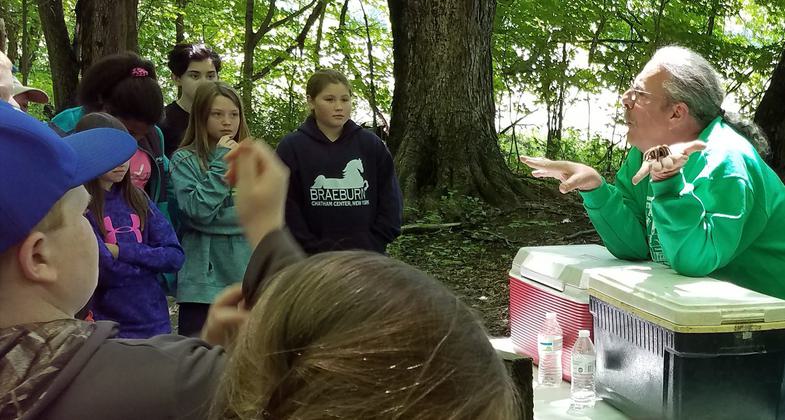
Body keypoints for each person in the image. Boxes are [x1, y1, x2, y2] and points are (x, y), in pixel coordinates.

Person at [0, 99, 303, 419]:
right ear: (38, 256)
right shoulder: (164, 379)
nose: (92, 229)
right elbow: (324, 364)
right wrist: (269, 231)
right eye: (82, 214)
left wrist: (202, 356)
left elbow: (171, 254)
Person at [522, 45, 785, 300]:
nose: (625, 99)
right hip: (703, 316)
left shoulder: (727, 162)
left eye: (639, 93)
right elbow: (636, 246)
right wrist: (596, 190)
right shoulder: (646, 153)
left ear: (676, 113)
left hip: (767, 325)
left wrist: (668, 184)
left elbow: (696, 260)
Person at [78, 112, 185, 338]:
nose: (121, 161)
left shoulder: (138, 198)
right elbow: (105, 268)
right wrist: (149, 259)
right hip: (108, 329)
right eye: (109, 151)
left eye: (125, 151)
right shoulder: (79, 205)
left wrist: (120, 250)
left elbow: (174, 256)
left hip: (156, 323)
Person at [276, 69, 403, 254]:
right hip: (310, 259)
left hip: (368, 257)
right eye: (329, 100)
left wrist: (373, 243)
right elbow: (286, 205)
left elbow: (391, 201)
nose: (339, 107)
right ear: (311, 101)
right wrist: (310, 248)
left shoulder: (371, 145)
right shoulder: (292, 147)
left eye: (345, 99)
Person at [170, 81, 252, 337]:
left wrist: (218, 217)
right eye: (217, 114)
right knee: (200, 366)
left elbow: (263, 214)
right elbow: (197, 212)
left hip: (246, 280)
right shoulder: (184, 160)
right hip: (202, 286)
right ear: (201, 117)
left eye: (234, 114)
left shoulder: (253, 158)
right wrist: (221, 164)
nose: (227, 121)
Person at [50, 52, 170, 217]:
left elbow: (161, 196)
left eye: (142, 135)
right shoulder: (66, 128)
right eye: (130, 132)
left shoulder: (155, 136)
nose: (133, 145)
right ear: (105, 107)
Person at [160, 43, 222, 157]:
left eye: (210, 76)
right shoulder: (162, 121)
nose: (204, 83)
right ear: (176, 78)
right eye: (195, 76)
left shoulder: (226, 118)